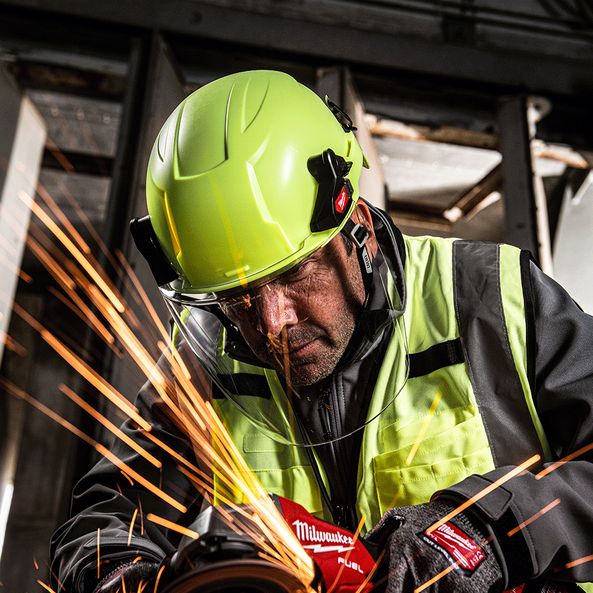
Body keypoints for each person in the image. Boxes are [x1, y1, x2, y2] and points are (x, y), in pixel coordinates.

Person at [50, 70, 593, 593]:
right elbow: (104, 516)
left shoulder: (488, 299)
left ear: (354, 221)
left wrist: (489, 535)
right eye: (237, 296)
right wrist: (125, 577)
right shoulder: (206, 359)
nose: (272, 323)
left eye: (294, 274)